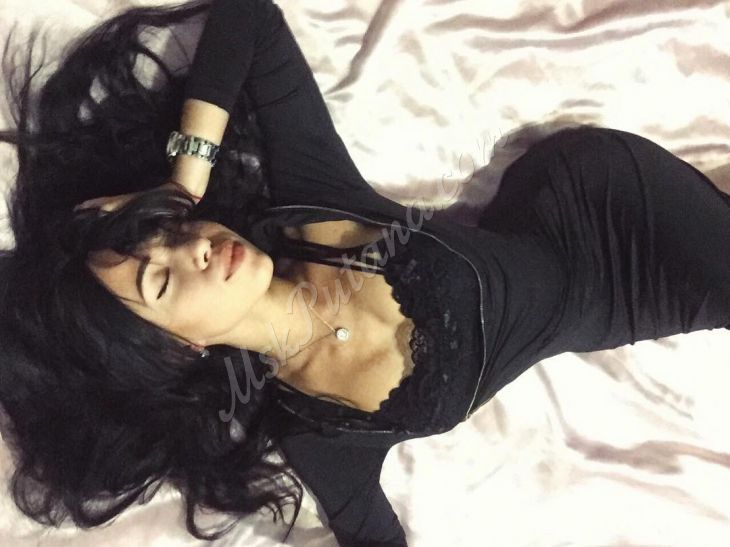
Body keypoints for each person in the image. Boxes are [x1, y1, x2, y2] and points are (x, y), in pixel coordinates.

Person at [1, 0, 729, 545]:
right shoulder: (322, 437)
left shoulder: (314, 207)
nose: (192, 248)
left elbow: (249, 16)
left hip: (596, 203)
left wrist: (182, 180)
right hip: (623, 310)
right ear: (179, 350)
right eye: (160, 282)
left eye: (165, 230)